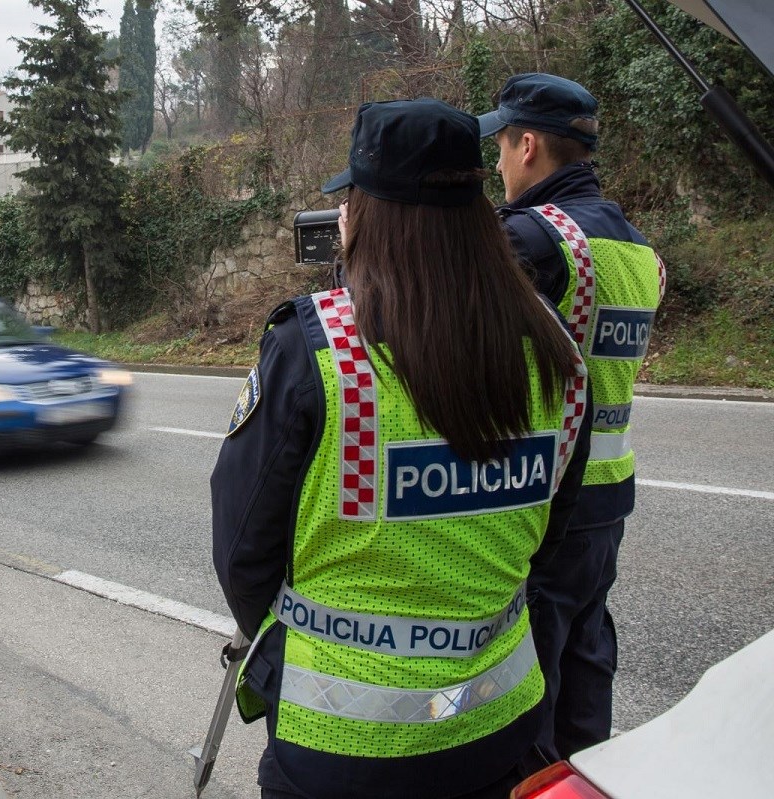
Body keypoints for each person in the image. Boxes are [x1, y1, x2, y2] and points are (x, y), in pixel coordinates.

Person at [211, 98, 593, 799]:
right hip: (502, 730)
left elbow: (243, 554)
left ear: (363, 215)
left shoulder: (317, 351)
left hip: (338, 747)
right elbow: (551, 538)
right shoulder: (557, 352)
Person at [478, 73, 665, 760]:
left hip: (543, 504)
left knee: (529, 685)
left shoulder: (532, 237)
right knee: (588, 662)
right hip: (609, 495)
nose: (497, 163)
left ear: (529, 145)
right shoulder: (637, 246)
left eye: (500, 145)